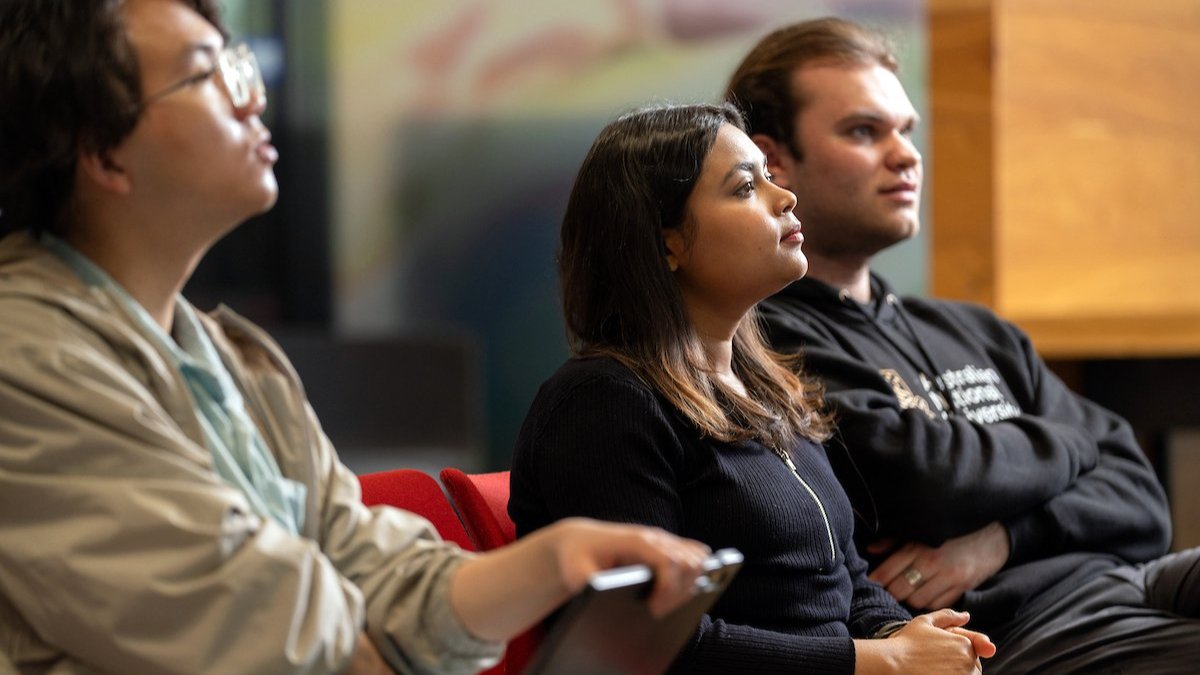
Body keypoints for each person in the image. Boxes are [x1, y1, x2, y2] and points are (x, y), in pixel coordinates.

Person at [0, 1, 715, 673]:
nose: (252, 98)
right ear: (102, 154)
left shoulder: (235, 357)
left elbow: (368, 557)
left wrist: (550, 563)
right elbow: (264, 631)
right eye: (206, 75)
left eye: (239, 67)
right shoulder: (24, 358)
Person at [726, 17, 1200, 673]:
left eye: (907, 131)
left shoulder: (977, 329)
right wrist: (1076, 438)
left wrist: (1003, 537)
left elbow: (1142, 495)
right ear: (772, 160)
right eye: (864, 131)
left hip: (1135, 581)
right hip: (1018, 634)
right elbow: (933, 480)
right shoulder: (762, 341)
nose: (906, 155)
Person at [508, 102, 995, 674]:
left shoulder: (766, 386)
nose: (784, 196)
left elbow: (844, 579)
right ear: (668, 245)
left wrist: (905, 633)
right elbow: (648, 648)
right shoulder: (602, 403)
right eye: (745, 187)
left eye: (770, 175)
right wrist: (880, 661)